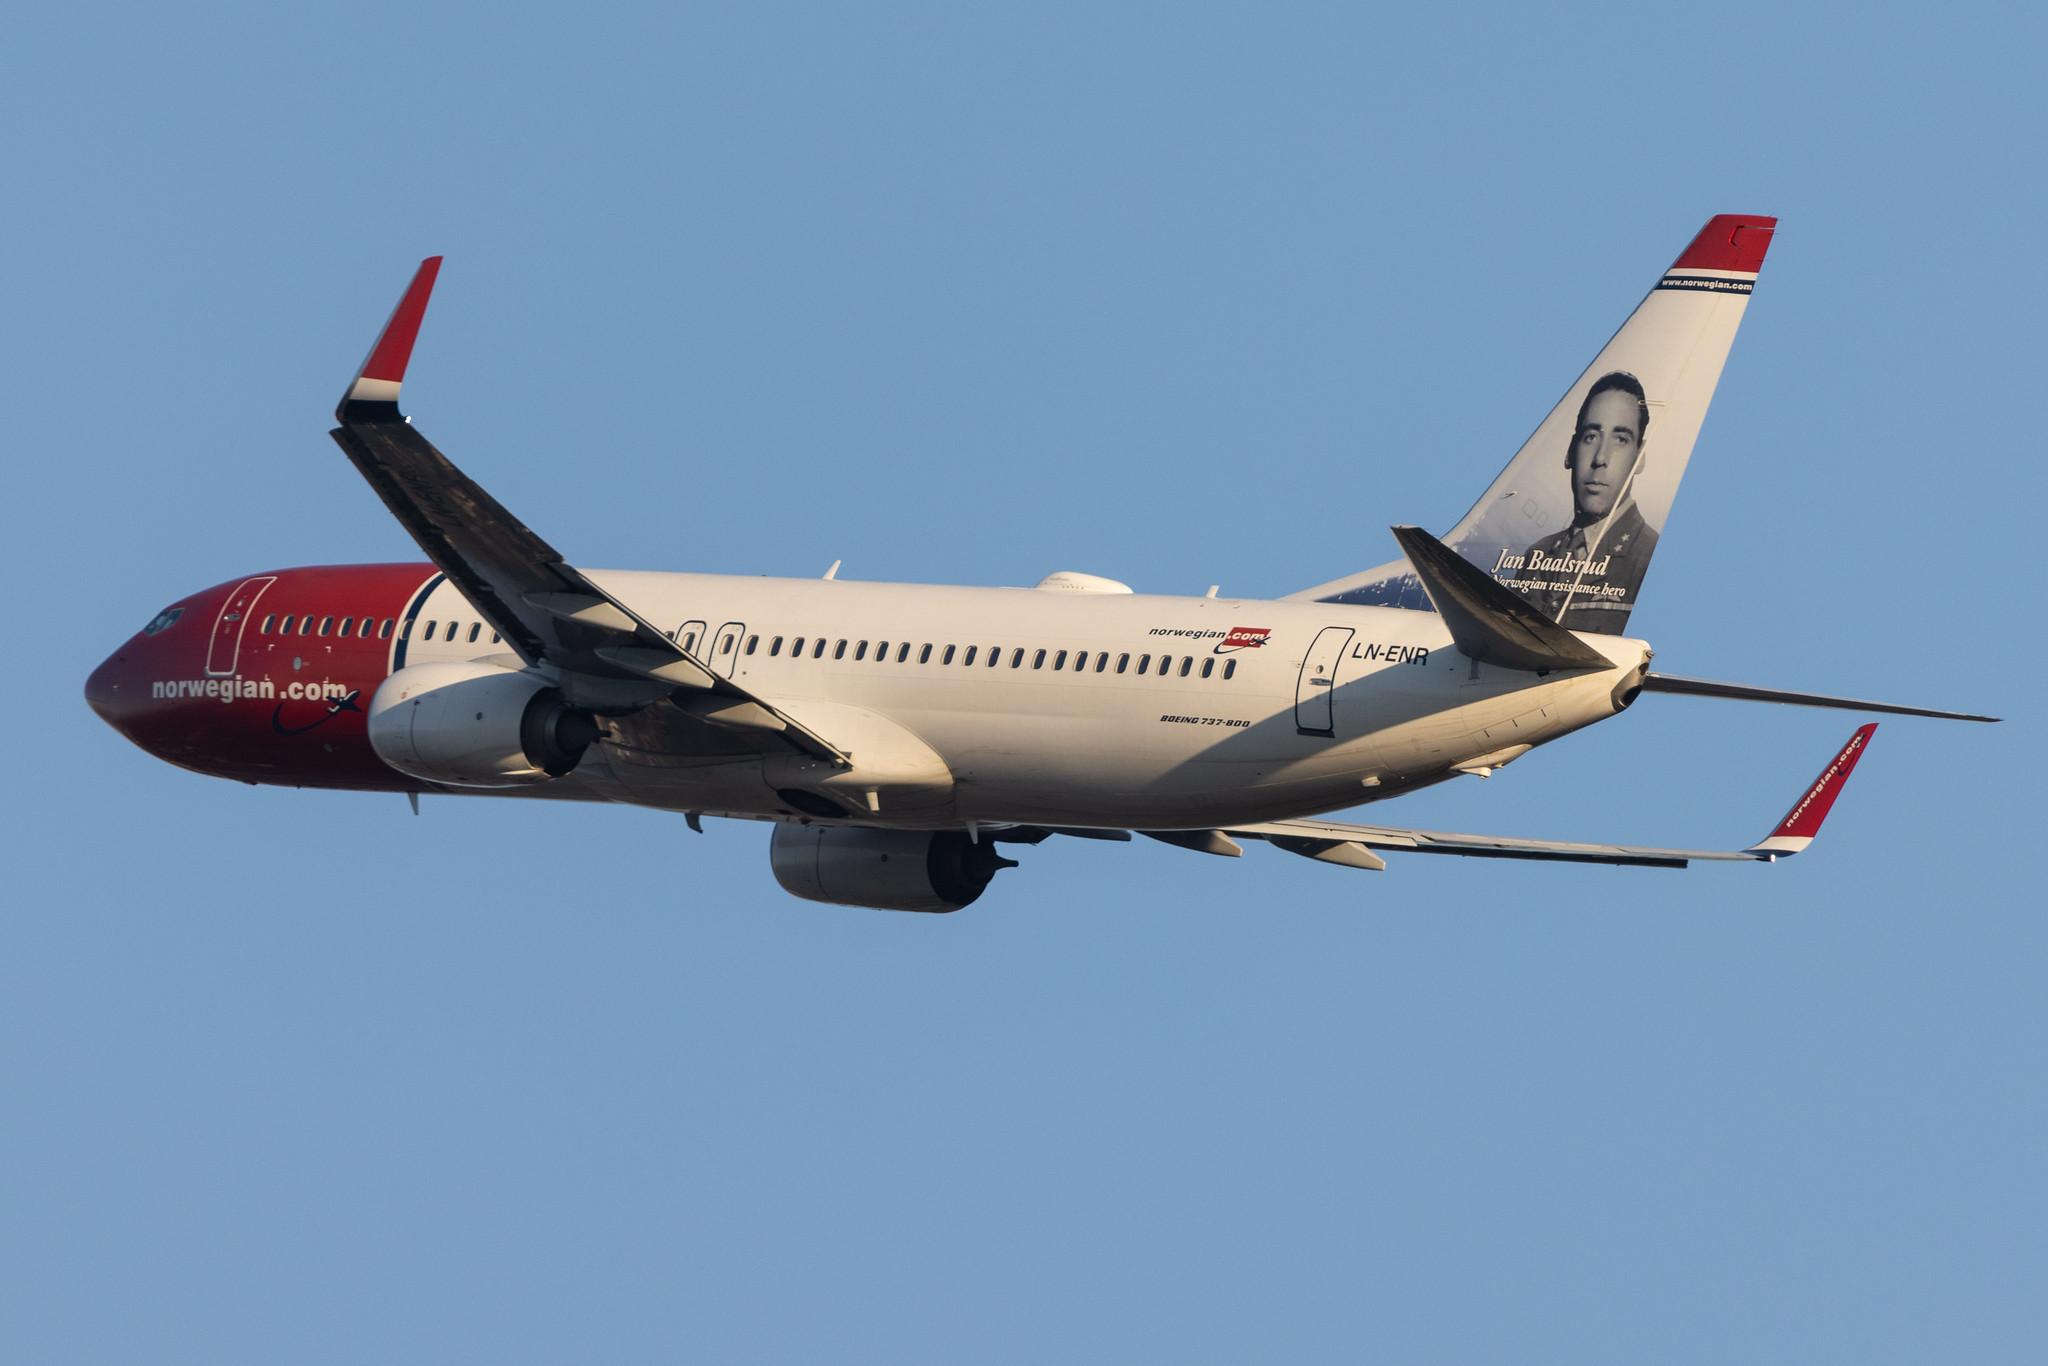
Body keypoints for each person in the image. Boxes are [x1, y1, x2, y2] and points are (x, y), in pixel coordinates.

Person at [1516, 371, 1659, 633]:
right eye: (1591, 437)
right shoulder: (1536, 555)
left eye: (1620, 439)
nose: (1600, 458)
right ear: (1571, 450)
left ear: (1640, 456)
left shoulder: (1649, 559)